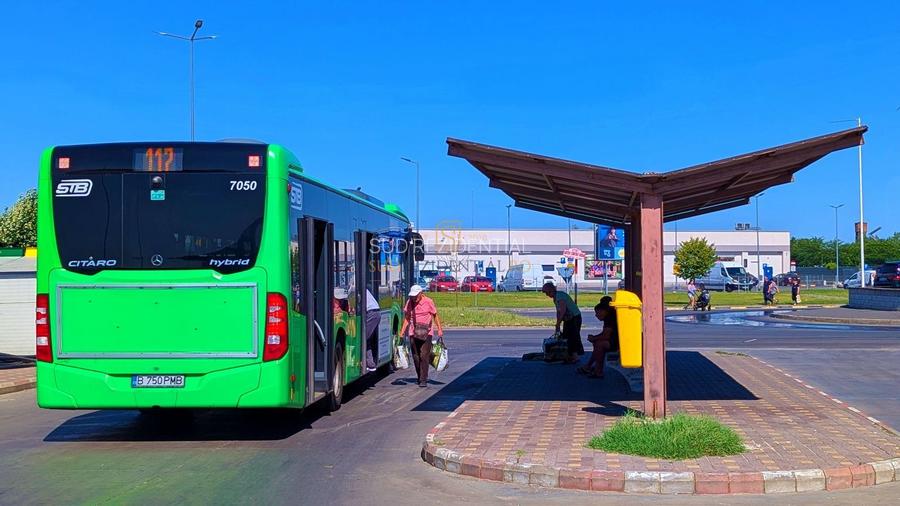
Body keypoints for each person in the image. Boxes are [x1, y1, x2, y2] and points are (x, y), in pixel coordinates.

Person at [399, 284, 443, 387]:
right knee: (416, 356)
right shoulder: (410, 302)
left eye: (415, 296)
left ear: (421, 293)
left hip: (427, 332)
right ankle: (419, 376)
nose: (413, 298)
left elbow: (435, 315)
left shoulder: (428, 301)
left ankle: (424, 379)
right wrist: (402, 332)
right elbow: (407, 317)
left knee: (424, 354)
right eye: (412, 296)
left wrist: (439, 329)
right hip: (413, 332)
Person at [541, 282, 584, 364]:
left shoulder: (560, 296)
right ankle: (569, 356)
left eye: (547, 292)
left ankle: (575, 357)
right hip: (569, 319)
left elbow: (563, 310)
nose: (546, 295)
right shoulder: (556, 297)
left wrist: (558, 323)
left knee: (572, 337)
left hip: (574, 318)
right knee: (566, 337)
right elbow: (558, 311)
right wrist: (557, 324)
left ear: (551, 290)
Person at [578, 296, 618, 378]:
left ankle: (598, 371)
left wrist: (594, 338)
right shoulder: (612, 314)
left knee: (599, 344)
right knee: (598, 343)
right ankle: (591, 367)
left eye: (597, 312)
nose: (596, 315)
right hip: (616, 340)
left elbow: (606, 335)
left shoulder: (610, 318)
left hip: (617, 343)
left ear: (604, 311)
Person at [364, 289, 380, 372]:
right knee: (367, 340)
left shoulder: (353, 287)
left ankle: (370, 364)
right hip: (373, 313)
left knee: (364, 339)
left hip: (371, 313)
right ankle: (370, 364)